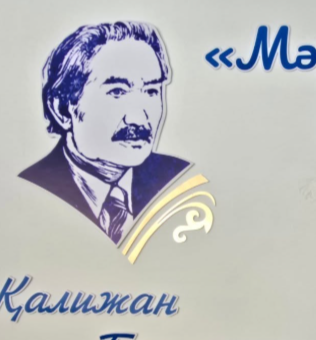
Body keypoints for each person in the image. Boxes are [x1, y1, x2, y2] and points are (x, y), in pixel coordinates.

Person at [18, 21, 190, 244]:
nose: (138, 119)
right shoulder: (25, 191)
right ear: (63, 109)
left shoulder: (180, 179)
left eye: (150, 91)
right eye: (117, 92)